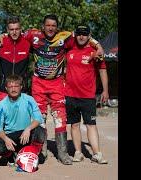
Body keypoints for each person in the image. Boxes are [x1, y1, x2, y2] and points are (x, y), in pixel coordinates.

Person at [21, 14, 104, 165]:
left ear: (57, 27)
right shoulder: (32, 35)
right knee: (40, 119)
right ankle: (41, 151)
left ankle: (63, 153)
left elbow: (85, 36)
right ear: (43, 26)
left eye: (53, 25)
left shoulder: (65, 37)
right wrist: (2, 35)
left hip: (57, 84)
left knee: (60, 118)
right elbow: (15, 33)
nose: (50, 28)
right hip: (38, 83)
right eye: (48, 25)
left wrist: (98, 45)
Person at [65, 25, 108, 164]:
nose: (81, 37)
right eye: (79, 34)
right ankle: (78, 153)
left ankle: (97, 154)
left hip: (88, 96)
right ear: (75, 35)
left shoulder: (95, 52)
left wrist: (105, 90)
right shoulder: (69, 49)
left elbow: (102, 71)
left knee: (91, 124)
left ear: (89, 36)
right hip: (70, 95)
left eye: (84, 34)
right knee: (75, 125)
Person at [0, 74, 45, 167]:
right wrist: (5, 139)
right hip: (11, 137)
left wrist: (28, 129)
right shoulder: (1, 105)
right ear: (6, 88)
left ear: (21, 87)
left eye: (16, 86)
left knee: (41, 131)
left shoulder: (29, 100)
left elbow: (38, 118)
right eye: (10, 86)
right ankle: (11, 157)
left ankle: (32, 154)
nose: (13, 89)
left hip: (26, 135)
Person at [0, 16, 31, 102]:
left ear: (21, 29)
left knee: (22, 115)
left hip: (22, 90)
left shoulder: (28, 42)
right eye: (11, 30)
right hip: (4, 90)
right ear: (7, 30)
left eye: (17, 29)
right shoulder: (1, 42)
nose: (14, 32)